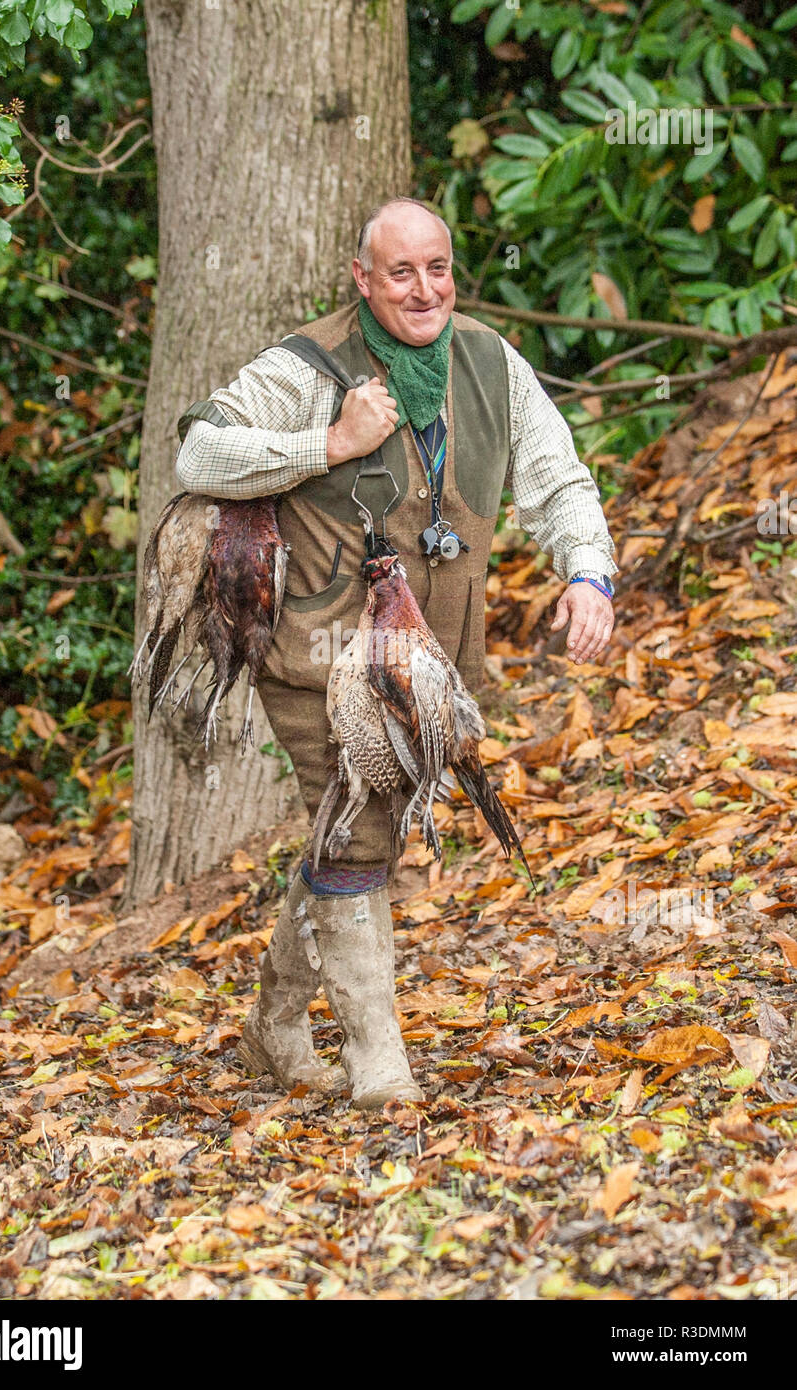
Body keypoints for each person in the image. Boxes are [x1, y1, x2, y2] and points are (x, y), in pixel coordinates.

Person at [174, 196, 616, 1108]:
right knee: (361, 827)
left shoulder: (491, 363)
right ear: (363, 279)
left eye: (439, 268)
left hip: (429, 659)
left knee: (349, 832)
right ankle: (380, 1068)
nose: (425, 290)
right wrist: (330, 441)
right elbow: (201, 454)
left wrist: (588, 573)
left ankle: (274, 1024)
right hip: (317, 654)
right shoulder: (306, 365)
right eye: (401, 272)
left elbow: (557, 477)